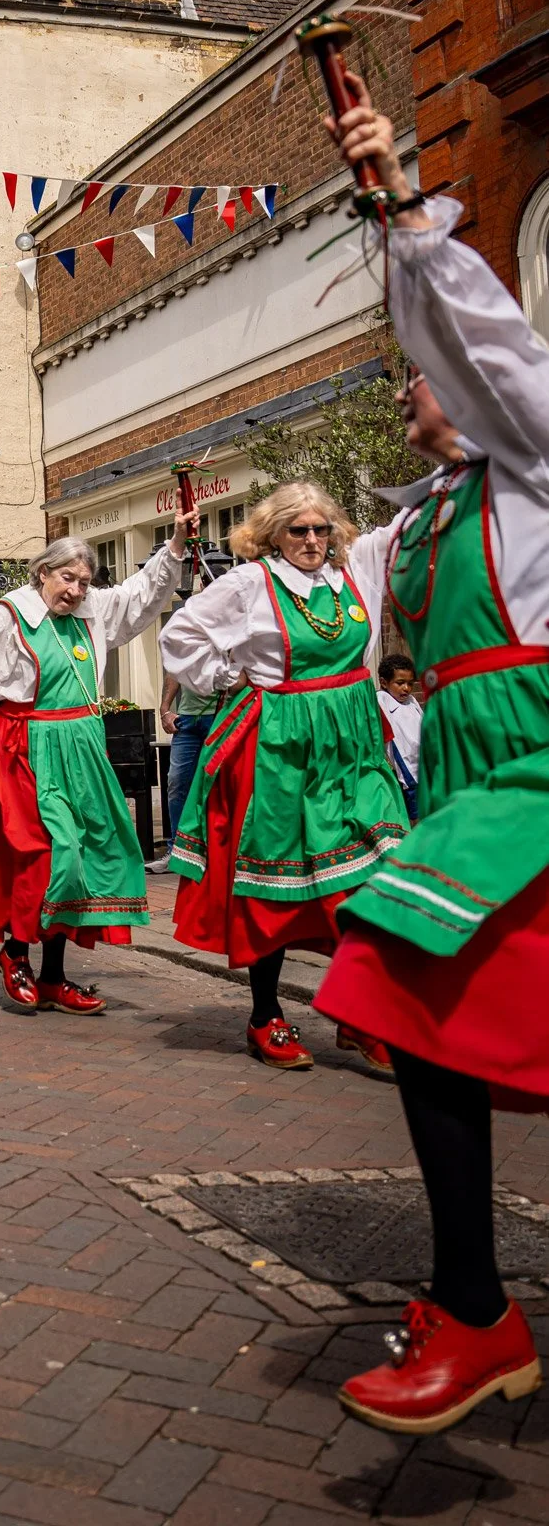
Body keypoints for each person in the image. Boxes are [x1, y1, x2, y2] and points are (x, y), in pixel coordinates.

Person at [304, 80, 549, 1433]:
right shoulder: (431, 511)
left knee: (403, 978)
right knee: (435, 1011)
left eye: (422, 364)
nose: (414, 374)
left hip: (530, 767)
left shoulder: (534, 448)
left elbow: (486, 342)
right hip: (471, 774)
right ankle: (474, 1304)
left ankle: (472, 1308)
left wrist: (396, 201)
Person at [0, 513, 196, 1011]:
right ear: (43, 573)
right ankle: (15, 953)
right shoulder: (8, 616)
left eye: (83, 581)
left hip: (83, 750)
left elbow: (142, 593)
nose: (75, 590)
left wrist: (178, 543)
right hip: (28, 750)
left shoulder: (93, 610)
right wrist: (8, 716)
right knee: (50, 856)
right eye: (66, 578)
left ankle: (53, 976)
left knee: (82, 859)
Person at [161, 483, 405, 1073]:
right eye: (299, 530)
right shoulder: (249, 584)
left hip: (353, 742)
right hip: (280, 745)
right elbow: (178, 639)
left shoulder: (358, 568)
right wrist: (230, 678)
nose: (313, 541)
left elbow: (414, 521)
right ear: (272, 535)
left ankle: (358, 1010)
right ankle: (265, 1015)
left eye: (322, 529)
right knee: (276, 884)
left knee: (380, 873)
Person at [159, 669, 216, 851]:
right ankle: (177, 850)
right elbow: (175, 670)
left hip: (220, 714)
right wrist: (165, 709)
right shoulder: (185, 640)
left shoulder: (229, 639)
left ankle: (216, 852)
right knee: (177, 782)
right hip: (187, 718)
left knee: (216, 785)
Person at [377, 652, 422, 823]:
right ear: (384, 682)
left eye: (410, 684)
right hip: (405, 769)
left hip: (421, 764)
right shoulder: (382, 699)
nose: (406, 688)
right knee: (413, 814)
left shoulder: (411, 701)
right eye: (400, 683)